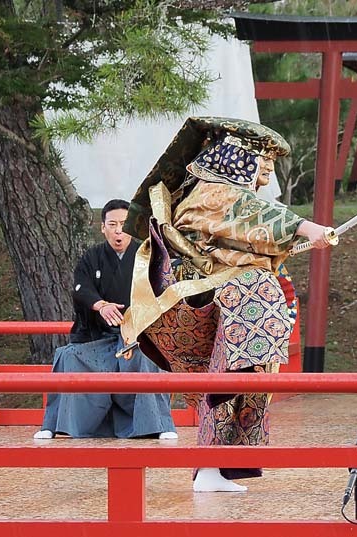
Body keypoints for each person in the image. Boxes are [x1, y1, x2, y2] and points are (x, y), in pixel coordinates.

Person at [119, 117, 332, 492]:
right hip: (205, 303)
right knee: (225, 383)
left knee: (233, 384)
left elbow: (244, 237)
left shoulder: (219, 196)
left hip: (226, 307)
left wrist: (291, 244)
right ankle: (210, 469)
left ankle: (213, 469)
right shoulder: (213, 193)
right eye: (261, 157)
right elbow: (248, 214)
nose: (267, 167)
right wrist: (305, 228)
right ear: (237, 156)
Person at [33, 199, 177, 440]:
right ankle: (54, 424)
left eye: (123, 224)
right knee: (69, 356)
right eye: (112, 224)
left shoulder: (147, 256)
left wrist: (136, 317)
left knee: (147, 359)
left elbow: (163, 290)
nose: (118, 230)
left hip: (136, 337)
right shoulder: (92, 257)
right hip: (99, 338)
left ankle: (160, 425)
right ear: (103, 228)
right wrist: (100, 306)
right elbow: (81, 288)